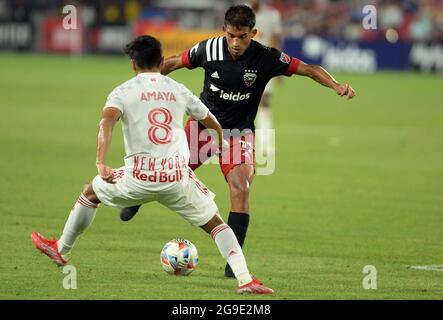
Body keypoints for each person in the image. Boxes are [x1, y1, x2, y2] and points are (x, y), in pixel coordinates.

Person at [120, 5, 356, 278]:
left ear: (253, 33)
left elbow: (308, 68)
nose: (235, 43)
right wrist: (146, 81)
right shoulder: (208, 49)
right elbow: (174, 62)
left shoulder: (266, 57)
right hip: (203, 127)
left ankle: (233, 264)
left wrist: (337, 85)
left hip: (238, 133)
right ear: (224, 30)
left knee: (240, 187)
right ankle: (137, 197)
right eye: (231, 35)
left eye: (242, 37)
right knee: (164, 172)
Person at [30, 35, 273, 295]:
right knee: (216, 225)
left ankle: (61, 249)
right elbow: (210, 118)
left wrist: (101, 162)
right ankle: (245, 280)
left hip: (137, 178)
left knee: (91, 192)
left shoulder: (122, 91)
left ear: (133, 64)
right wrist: (222, 143)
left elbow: (106, 123)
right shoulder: (177, 88)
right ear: (160, 61)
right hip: (177, 177)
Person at [249, 0, 283, 156]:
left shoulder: (272, 15)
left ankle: (267, 145)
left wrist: (279, 67)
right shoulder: (240, 12)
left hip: (264, 65)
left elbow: (275, 41)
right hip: (243, 65)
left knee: (265, 103)